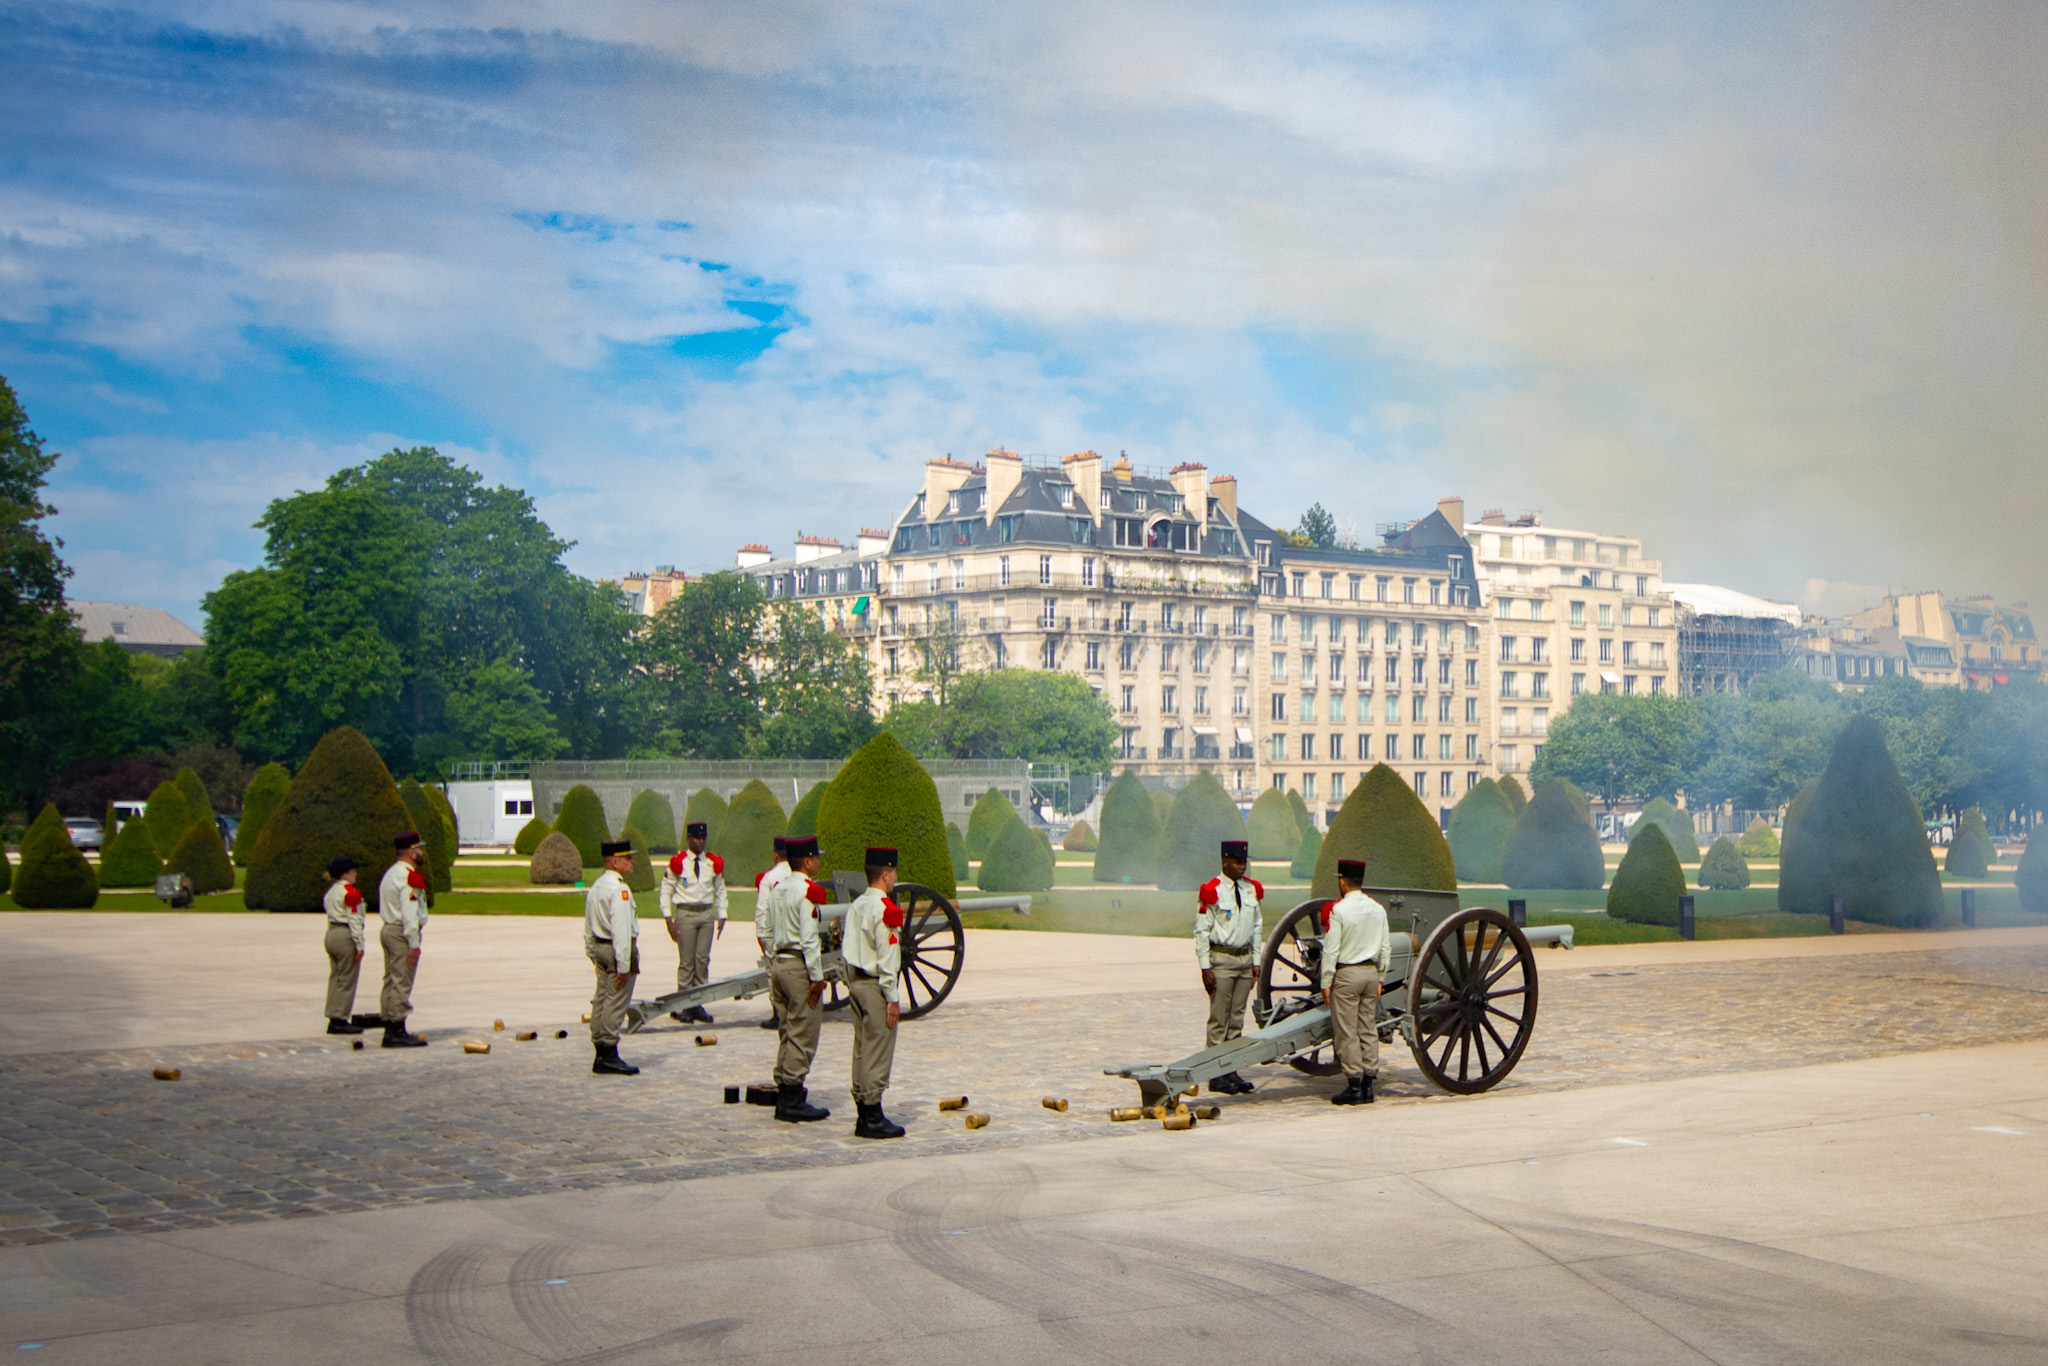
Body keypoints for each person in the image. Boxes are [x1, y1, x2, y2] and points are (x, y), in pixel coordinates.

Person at [763, 834, 831, 1122]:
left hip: (778, 964)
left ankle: (784, 1086)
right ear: (807, 861)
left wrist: (772, 961)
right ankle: (792, 1096)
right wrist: (817, 977)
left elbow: (767, 930)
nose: (818, 862)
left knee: (786, 1028)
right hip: (798, 966)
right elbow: (809, 938)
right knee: (803, 1030)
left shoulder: (778, 889)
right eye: (816, 857)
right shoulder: (807, 891)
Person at [842, 846, 906, 1139]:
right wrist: (892, 998)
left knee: (861, 1049)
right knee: (878, 1049)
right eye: (893, 872)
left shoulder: (857, 905)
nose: (895, 877)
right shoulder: (885, 909)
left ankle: (862, 1113)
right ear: (885, 873)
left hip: (854, 982)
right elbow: (887, 957)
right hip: (875, 986)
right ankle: (873, 1113)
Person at [1320, 858, 1391, 1105]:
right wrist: (1381, 977)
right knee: (1368, 1028)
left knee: (1347, 1031)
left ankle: (1354, 1085)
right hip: (1371, 975)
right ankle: (1369, 1085)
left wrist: (1326, 982)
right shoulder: (1378, 909)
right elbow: (1385, 948)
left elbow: (1331, 950)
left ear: (1342, 881)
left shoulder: (1339, 911)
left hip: (1348, 975)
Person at [1196, 838, 1263, 1094]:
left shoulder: (1249, 890)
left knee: (1236, 1020)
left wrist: (1256, 962)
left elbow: (1257, 927)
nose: (1242, 866)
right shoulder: (1212, 890)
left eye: (1244, 862)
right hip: (1222, 961)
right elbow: (1201, 932)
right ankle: (1215, 1073)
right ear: (1225, 861)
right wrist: (1205, 967)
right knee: (1218, 1020)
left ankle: (1230, 1070)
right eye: (1237, 862)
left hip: (1245, 961)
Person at [585, 838, 642, 1076]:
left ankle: (599, 1046)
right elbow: (620, 929)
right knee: (616, 1001)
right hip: (616, 949)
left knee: (601, 999)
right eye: (628, 858)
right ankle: (608, 1051)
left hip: (600, 947)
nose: (633, 862)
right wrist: (623, 965)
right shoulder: (620, 890)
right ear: (616, 862)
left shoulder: (597, 886)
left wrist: (592, 954)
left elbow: (588, 926)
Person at [661, 821, 726, 1024]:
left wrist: (722, 914)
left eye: (703, 838)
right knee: (687, 962)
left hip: (705, 913)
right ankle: (685, 1005)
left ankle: (698, 1003)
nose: (701, 841)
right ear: (688, 838)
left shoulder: (711, 863)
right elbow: (666, 890)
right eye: (697, 838)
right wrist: (668, 918)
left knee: (702, 960)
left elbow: (720, 889)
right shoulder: (678, 862)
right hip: (686, 913)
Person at [377, 832, 430, 1048]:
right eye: (419, 849)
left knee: (390, 979)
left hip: (389, 929)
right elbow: (409, 913)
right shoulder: (409, 877)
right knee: (402, 979)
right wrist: (414, 944)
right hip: (402, 932)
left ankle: (390, 1023)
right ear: (411, 852)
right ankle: (397, 1029)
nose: (421, 853)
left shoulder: (391, 874)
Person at [322, 856, 366, 1034]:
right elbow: (354, 919)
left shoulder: (331, 891)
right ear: (345, 874)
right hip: (345, 934)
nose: (355, 874)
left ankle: (333, 1013)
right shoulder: (350, 892)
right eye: (353, 871)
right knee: (347, 979)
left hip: (331, 933)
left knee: (335, 977)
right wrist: (359, 944)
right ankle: (340, 1018)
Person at [754, 835, 789, 1030]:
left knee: (772, 973)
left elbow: (762, 910)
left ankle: (777, 1012)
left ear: (775, 854)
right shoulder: (798, 875)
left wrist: (761, 934)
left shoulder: (769, 878)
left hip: (774, 933)